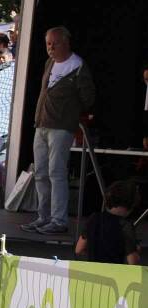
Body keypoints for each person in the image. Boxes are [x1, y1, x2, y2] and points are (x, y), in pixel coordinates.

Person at [21, 26, 96, 235]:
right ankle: (43, 216)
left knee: (56, 172)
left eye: (55, 43)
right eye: (48, 44)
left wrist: (71, 113)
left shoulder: (78, 66)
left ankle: (59, 220)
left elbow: (88, 98)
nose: (51, 48)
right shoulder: (50, 62)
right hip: (42, 124)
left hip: (61, 127)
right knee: (41, 172)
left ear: (66, 43)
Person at [75, 181, 140, 265]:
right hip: (113, 272)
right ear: (130, 205)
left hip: (93, 270)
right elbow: (133, 261)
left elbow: (79, 250)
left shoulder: (94, 218)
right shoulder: (125, 226)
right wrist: (136, 252)